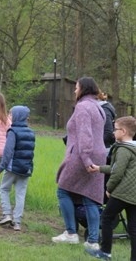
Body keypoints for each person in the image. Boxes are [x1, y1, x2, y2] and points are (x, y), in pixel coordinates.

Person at [52, 77, 106, 249]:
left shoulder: (82, 107)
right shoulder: (99, 107)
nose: (74, 91)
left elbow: (85, 134)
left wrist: (86, 158)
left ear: (83, 89)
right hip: (99, 155)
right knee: (90, 197)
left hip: (82, 155)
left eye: (76, 88)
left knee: (63, 189)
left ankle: (71, 233)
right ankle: (93, 241)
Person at [87, 116, 136, 260]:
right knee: (133, 228)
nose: (113, 132)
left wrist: (108, 188)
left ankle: (105, 252)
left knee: (107, 218)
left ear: (124, 131)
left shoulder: (123, 150)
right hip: (134, 194)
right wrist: (99, 168)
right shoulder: (133, 148)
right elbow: (118, 168)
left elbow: (117, 172)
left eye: (115, 129)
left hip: (122, 193)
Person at [0, 105, 35, 232]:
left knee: (4, 189)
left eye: (11, 114)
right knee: (20, 194)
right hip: (26, 169)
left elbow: (8, 152)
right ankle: (17, 223)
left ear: (17, 117)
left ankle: (6, 214)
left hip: (12, 168)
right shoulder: (31, 132)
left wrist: (0, 168)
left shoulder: (12, 131)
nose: (9, 116)